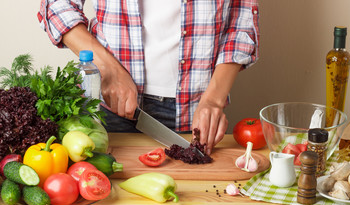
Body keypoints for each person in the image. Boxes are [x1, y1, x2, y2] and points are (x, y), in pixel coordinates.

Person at [38, 0, 259, 155]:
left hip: (195, 111)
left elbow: (241, 20)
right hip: (107, 107)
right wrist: (109, 70)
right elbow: (56, 4)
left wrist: (214, 100)